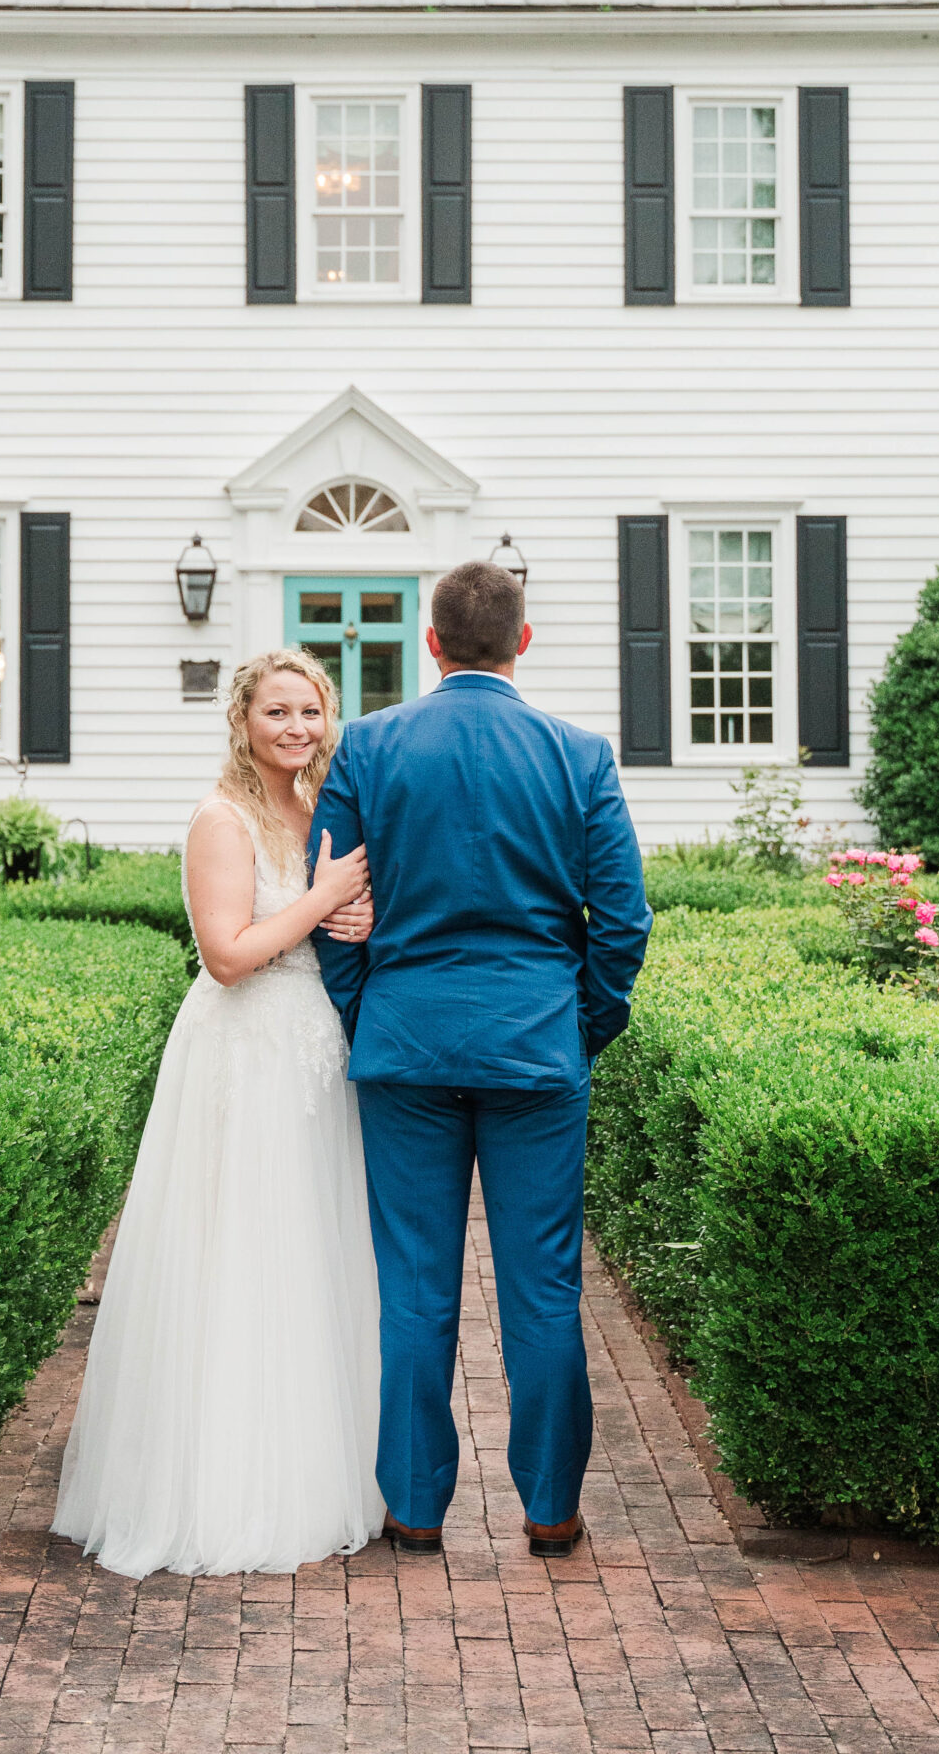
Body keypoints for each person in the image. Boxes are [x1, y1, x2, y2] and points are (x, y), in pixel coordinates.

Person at [310, 560, 651, 1559]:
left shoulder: (368, 746)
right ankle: (550, 1508)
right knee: (541, 1287)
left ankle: (413, 1507)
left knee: (414, 1288)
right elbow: (620, 920)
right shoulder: (576, 754)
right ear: (522, 640)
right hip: (535, 1048)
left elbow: (331, 907)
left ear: (430, 644)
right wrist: (576, 1024)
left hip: (406, 1045)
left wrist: (365, 1012)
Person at [52, 647, 384, 1578]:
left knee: (310, 1253)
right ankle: (220, 1486)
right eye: (277, 713)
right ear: (243, 721)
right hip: (242, 1051)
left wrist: (351, 920)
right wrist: (323, 900)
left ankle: (316, 1467)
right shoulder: (220, 817)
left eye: (310, 713)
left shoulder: (321, 807)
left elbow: (333, 924)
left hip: (314, 1050)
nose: (296, 729)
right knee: (239, 1249)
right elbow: (229, 954)